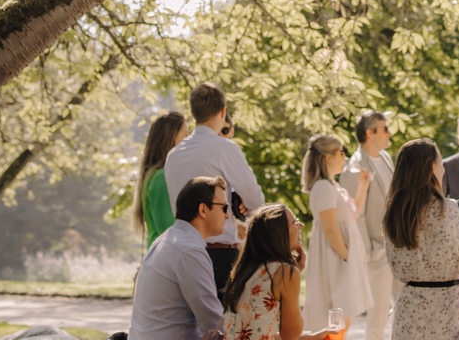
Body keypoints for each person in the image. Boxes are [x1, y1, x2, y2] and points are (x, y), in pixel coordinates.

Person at [164, 82, 266, 293]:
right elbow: (256, 201)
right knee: (222, 322)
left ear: (193, 114)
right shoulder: (225, 149)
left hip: (179, 250)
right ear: (223, 111)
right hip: (219, 254)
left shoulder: (173, 155)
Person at [385, 138, 459, 340]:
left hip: (410, 312)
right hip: (451, 310)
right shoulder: (455, 211)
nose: (443, 168)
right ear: (432, 166)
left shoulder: (394, 213)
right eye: (440, 163)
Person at [128, 176, 229, 340]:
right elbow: (213, 323)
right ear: (203, 209)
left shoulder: (166, 241)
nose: (227, 215)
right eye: (224, 207)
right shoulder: (189, 251)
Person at [222, 204, 333, 340]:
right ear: (280, 234)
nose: (301, 226)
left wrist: (314, 337)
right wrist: (294, 274)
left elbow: (263, 330)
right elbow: (291, 335)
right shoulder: (285, 272)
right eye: (295, 223)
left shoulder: (244, 270)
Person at [303, 134, 374, 330]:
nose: (344, 157)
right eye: (341, 152)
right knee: (337, 315)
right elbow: (329, 227)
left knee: (344, 314)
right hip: (335, 258)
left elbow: (352, 216)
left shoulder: (333, 186)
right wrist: (346, 256)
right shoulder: (323, 187)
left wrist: (362, 188)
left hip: (341, 257)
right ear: (328, 156)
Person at [342, 110, 395, 339]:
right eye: (384, 128)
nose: (389, 133)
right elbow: (355, 215)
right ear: (369, 133)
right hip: (377, 253)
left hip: (397, 247)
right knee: (378, 319)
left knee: (404, 309)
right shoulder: (354, 167)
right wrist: (370, 252)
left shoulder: (385, 157)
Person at [135, 111, 188, 247]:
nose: (188, 141)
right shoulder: (161, 178)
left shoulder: (160, 175)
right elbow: (168, 229)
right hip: (166, 260)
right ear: (170, 138)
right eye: (185, 135)